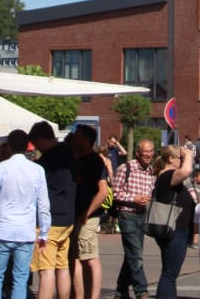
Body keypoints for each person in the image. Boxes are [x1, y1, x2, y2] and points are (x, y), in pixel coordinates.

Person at [0, 129, 50, 299]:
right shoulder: (38, 170)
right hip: (25, 232)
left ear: (10, 147)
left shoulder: (0, 168)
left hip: (2, 230)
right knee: (20, 279)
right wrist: (44, 234)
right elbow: (43, 206)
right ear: (27, 145)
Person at [29, 122, 76, 299]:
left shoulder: (46, 161)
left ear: (41, 138)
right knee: (62, 266)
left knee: (46, 270)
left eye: (36, 143)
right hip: (67, 216)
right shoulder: (67, 153)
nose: (36, 147)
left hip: (49, 219)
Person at [149, 144, 196, 299]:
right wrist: (189, 155)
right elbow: (187, 171)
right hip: (174, 230)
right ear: (171, 159)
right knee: (170, 274)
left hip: (174, 229)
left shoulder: (167, 176)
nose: (183, 161)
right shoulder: (168, 175)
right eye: (180, 158)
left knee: (169, 272)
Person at [113, 139, 157, 299]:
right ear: (138, 152)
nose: (149, 154)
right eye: (146, 151)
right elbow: (116, 193)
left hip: (142, 215)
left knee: (132, 254)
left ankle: (120, 289)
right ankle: (141, 291)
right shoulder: (126, 168)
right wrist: (134, 199)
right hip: (127, 214)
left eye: (151, 151)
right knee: (136, 254)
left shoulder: (151, 171)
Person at [70, 125, 110, 299]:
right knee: (76, 258)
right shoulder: (75, 158)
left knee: (90, 258)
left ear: (86, 139)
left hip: (87, 216)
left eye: (78, 136)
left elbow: (103, 191)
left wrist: (87, 212)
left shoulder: (95, 161)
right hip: (74, 214)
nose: (74, 139)